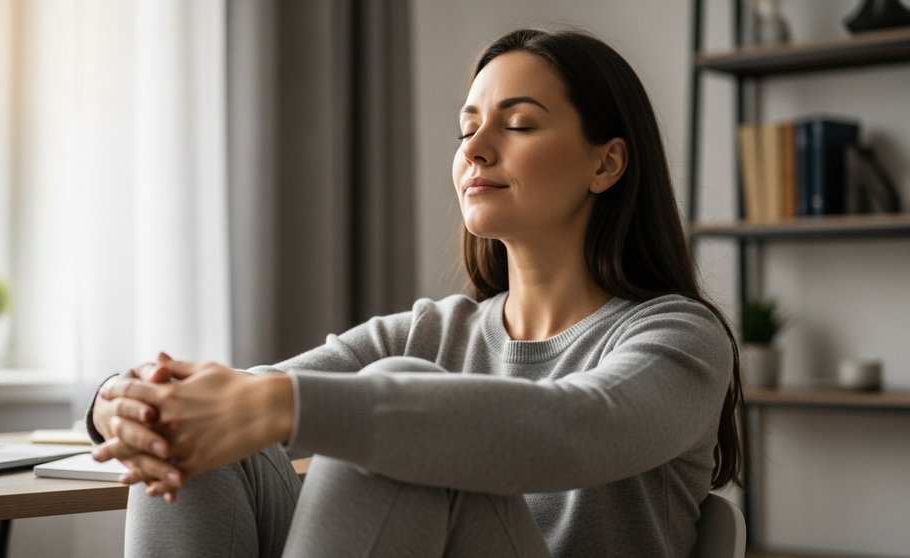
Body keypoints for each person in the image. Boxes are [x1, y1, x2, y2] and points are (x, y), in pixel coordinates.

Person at [87, 28, 744, 557]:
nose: (475, 150)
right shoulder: (438, 330)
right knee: (192, 439)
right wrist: (128, 404)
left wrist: (280, 404)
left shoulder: (679, 337)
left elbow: (571, 429)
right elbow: (239, 398)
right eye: (467, 129)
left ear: (607, 162)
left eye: (517, 125)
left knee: (400, 404)